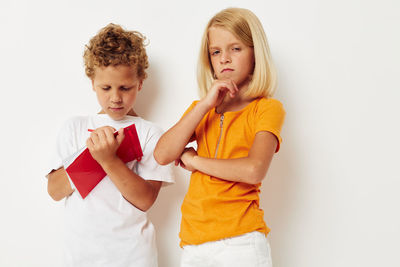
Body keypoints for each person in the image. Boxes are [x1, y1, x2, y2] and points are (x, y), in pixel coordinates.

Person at [154, 8, 285, 267]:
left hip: (241, 242)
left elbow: (254, 170)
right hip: (193, 243)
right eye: (216, 52)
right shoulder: (201, 109)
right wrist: (204, 105)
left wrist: (195, 162)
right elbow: (162, 155)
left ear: (255, 53)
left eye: (235, 49)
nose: (224, 59)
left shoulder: (266, 109)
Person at [46, 23, 173, 267]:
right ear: (92, 82)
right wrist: (93, 155)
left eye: (125, 88)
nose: (115, 97)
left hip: (133, 257)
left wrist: (109, 160)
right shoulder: (74, 127)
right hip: (80, 257)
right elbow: (55, 190)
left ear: (140, 83)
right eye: (106, 88)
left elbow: (145, 200)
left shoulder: (150, 133)